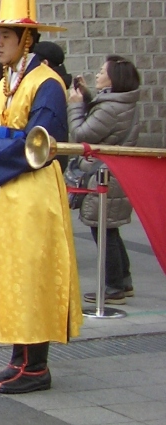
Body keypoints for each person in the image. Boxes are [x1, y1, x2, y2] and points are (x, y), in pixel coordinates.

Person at [0, 0, 81, 394]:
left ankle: (37, 366)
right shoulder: (7, 82)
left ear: (26, 40)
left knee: (32, 270)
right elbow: (5, 130)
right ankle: (18, 358)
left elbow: (41, 141)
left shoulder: (46, 84)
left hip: (33, 189)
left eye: (5, 36)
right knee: (11, 268)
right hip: (7, 187)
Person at [67, 55, 141, 305]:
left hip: (104, 175)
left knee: (102, 230)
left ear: (114, 79)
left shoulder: (111, 108)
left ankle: (113, 287)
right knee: (110, 228)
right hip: (115, 173)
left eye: (102, 72)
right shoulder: (121, 103)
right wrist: (87, 96)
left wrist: (76, 106)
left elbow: (82, 134)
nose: (97, 75)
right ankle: (124, 280)